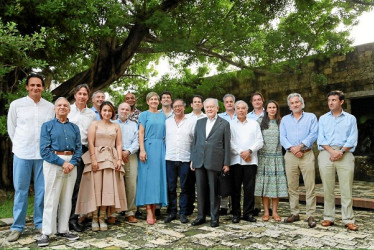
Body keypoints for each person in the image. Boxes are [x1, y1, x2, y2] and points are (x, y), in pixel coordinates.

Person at [7, 73, 55, 242]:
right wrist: (20, 144)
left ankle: (40, 223)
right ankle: (17, 227)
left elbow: (51, 130)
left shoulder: (50, 107)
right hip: (22, 153)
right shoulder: (17, 105)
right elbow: (12, 128)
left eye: (39, 85)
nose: (35, 88)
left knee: (42, 191)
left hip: (43, 155)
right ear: (27, 87)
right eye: (32, 85)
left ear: (43, 87)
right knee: (21, 190)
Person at [75, 101, 127, 231]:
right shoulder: (94, 124)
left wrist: (119, 159)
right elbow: (90, 143)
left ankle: (102, 217)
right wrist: (93, 159)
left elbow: (119, 144)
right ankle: (94, 217)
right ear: (100, 112)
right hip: (97, 157)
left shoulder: (116, 126)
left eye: (109, 111)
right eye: (104, 110)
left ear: (112, 112)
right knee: (96, 188)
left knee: (107, 188)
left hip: (111, 158)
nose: (107, 113)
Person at [37, 97, 82, 247]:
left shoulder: (74, 128)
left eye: (65, 105)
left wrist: (72, 163)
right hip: (53, 162)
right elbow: (44, 151)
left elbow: (78, 149)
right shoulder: (47, 126)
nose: (62, 107)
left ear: (69, 109)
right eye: (59, 105)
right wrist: (63, 163)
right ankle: (47, 232)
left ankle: (64, 229)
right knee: (51, 197)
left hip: (71, 164)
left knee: (67, 197)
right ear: (55, 108)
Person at [317, 90, 359, 231]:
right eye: (329, 100)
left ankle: (348, 219)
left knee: (346, 188)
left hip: (345, 153)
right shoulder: (323, 118)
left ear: (341, 102)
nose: (330, 103)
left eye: (334, 100)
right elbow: (321, 138)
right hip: (326, 153)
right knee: (327, 188)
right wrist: (332, 151)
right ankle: (328, 217)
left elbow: (352, 139)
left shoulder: (350, 119)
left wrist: (340, 152)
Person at [190, 98, 230, 227]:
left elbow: (227, 145)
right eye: (207, 107)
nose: (210, 109)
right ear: (204, 109)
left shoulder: (224, 123)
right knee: (200, 191)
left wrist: (226, 163)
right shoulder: (200, 122)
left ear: (217, 108)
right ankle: (200, 216)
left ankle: (214, 217)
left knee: (214, 191)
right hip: (199, 160)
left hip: (215, 160)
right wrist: (193, 159)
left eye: (212, 107)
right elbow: (195, 142)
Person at [280, 93, 318, 228]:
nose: (295, 104)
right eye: (292, 103)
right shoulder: (285, 119)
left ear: (302, 103)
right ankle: (294, 213)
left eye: (297, 102)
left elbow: (314, 134)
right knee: (292, 186)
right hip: (290, 156)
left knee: (310, 186)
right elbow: (282, 137)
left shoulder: (311, 117)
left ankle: (310, 215)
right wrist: (293, 149)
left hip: (306, 154)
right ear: (289, 106)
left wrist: (300, 146)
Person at [67, 84, 96, 232]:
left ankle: (73, 219)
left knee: (77, 186)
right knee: (64, 186)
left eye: (85, 94)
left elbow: (92, 136)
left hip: (82, 150)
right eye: (80, 94)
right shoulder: (67, 109)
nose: (82, 97)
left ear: (88, 97)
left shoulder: (91, 114)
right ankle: (60, 220)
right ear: (75, 95)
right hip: (66, 150)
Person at [136, 92, 168, 225]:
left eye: (156, 99)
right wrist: (142, 150)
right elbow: (141, 133)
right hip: (148, 147)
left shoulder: (163, 116)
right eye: (151, 99)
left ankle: (155, 209)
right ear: (147, 102)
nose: (154, 101)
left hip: (160, 148)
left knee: (158, 179)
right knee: (148, 180)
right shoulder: (143, 115)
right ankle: (149, 210)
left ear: (159, 102)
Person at [230, 100, 263, 223]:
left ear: (247, 110)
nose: (241, 110)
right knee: (235, 188)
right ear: (235, 110)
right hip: (235, 160)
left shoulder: (254, 124)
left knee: (249, 188)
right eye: (238, 108)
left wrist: (249, 151)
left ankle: (248, 213)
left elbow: (260, 142)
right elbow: (229, 142)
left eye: (243, 108)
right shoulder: (230, 124)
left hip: (251, 160)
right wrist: (241, 153)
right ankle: (236, 213)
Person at [255, 101, 288, 222]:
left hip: (277, 157)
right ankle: (266, 212)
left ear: (277, 109)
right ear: (266, 109)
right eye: (270, 107)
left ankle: (275, 212)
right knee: (265, 186)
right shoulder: (260, 122)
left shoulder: (281, 122)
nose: (272, 109)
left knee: (276, 186)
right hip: (264, 157)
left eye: (274, 107)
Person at [164, 99, 196, 224]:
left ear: (184, 107)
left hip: (185, 158)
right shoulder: (167, 122)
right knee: (171, 187)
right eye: (175, 106)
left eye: (180, 106)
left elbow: (195, 141)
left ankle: (183, 212)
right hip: (170, 158)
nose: (177, 108)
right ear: (173, 108)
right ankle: (172, 211)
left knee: (185, 187)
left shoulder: (191, 122)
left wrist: (193, 158)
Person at [114, 102, 139, 223]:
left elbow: (137, 141)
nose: (124, 111)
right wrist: (119, 154)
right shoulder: (112, 124)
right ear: (118, 111)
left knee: (131, 185)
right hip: (114, 157)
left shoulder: (134, 125)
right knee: (115, 184)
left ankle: (130, 212)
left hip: (131, 156)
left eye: (127, 109)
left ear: (130, 112)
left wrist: (127, 152)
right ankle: (113, 212)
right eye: (122, 109)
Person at [185, 95, 206, 215]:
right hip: (189, 153)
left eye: (199, 102)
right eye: (195, 102)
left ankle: (204, 208)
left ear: (202, 105)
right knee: (190, 183)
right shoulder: (186, 118)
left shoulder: (207, 116)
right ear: (191, 105)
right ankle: (189, 207)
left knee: (203, 183)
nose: (197, 104)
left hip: (203, 154)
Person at [247, 92, 266, 216]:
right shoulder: (248, 117)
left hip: (267, 150)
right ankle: (256, 205)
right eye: (254, 100)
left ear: (263, 101)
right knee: (255, 179)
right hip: (253, 151)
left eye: (259, 99)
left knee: (267, 178)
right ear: (251, 102)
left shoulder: (269, 113)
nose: (257, 102)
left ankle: (268, 206)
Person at [218, 93, 236, 215]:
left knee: (235, 181)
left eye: (231, 101)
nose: (229, 103)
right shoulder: (219, 117)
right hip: (223, 153)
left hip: (237, 154)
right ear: (223, 104)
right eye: (227, 102)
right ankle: (223, 206)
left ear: (234, 103)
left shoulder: (240, 115)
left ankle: (234, 206)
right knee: (223, 180)